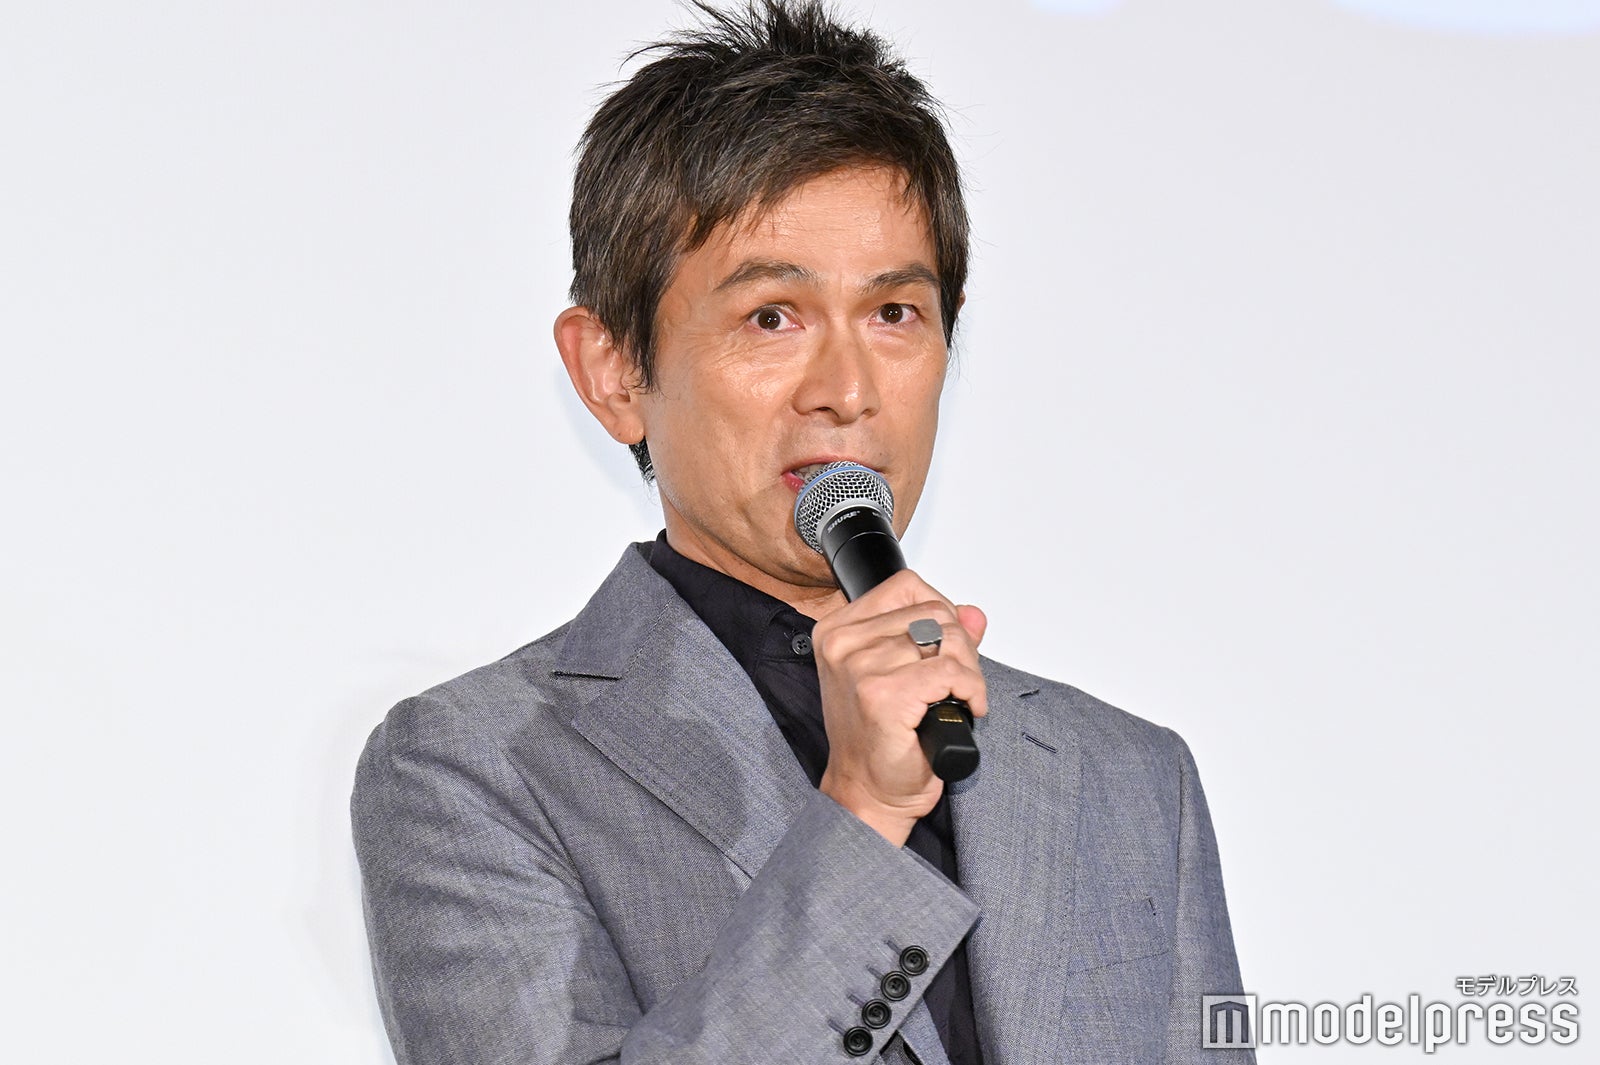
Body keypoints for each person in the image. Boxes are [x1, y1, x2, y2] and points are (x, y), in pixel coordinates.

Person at [352, 3, 1250, 1063]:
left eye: (894, 314)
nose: (847, 390)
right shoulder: (472, 769)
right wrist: (862, 812)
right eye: (772, 315)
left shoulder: (1129, 776)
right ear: (614, 372)